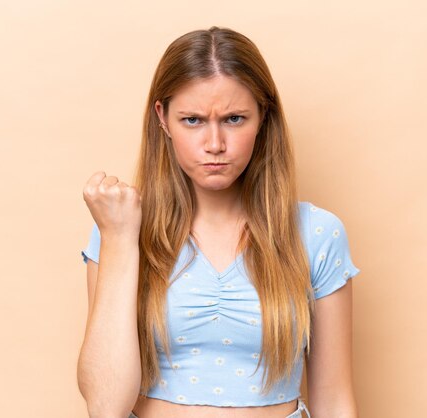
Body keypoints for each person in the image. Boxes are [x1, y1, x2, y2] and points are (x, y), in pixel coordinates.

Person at [77, 26, 361, 418]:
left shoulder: (316, 234)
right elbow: (105, 407)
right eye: (192, 120)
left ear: (263, 117)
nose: (214, 144)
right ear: (162, 118)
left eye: (234, 119)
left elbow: (334, 402)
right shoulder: (118, 228)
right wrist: (121, 238)